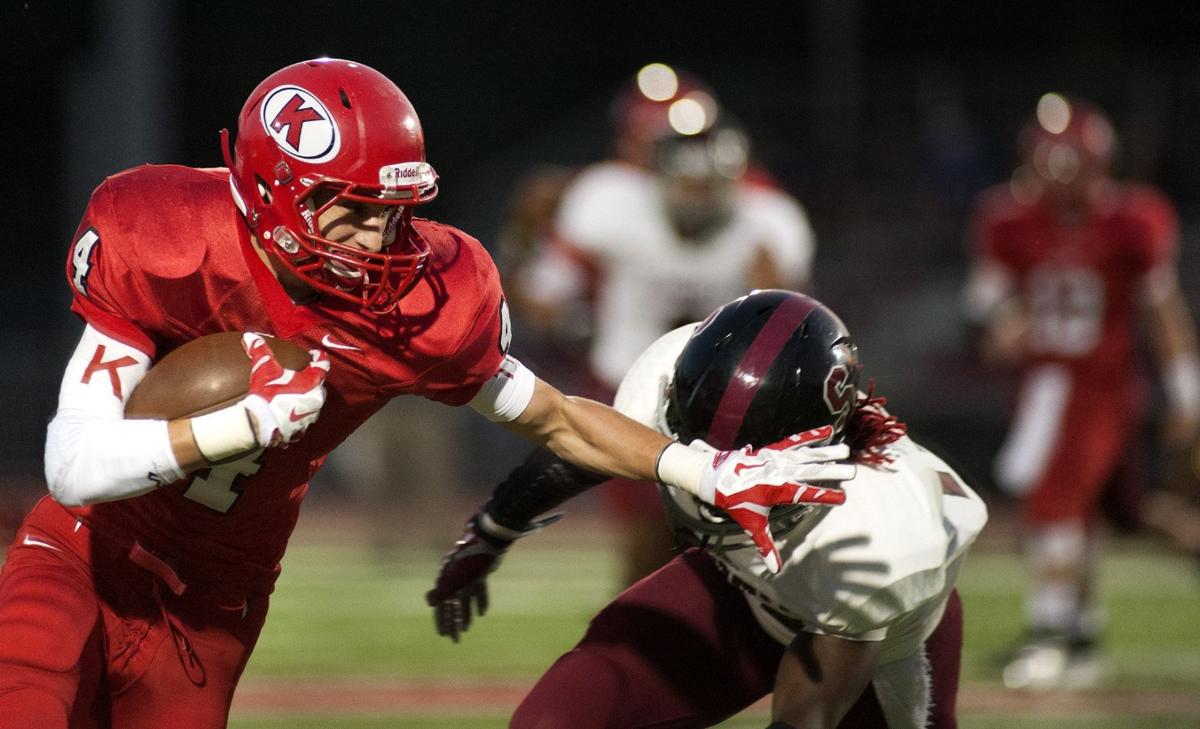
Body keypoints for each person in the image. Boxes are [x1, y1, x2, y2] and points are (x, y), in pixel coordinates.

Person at [0, 59, 852, 728]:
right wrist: (244, 421)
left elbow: (557, 417)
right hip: (85, 549)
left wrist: (704, 471)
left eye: (396, 210)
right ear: (276, 195)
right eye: (357, 210)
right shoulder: (166, 234)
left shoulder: (421, 299)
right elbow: (74, 465)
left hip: (219, 598)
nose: (384, 240)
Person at [428, 290, 989, 729]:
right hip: (733, 586)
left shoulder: (876, 535)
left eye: (745, 461)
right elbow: (590, 449)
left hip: (874, 642)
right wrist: (493, 528)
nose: (716, 474)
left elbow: (808, 713)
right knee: (557, 718)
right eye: (700, 448)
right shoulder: (665, 377)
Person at [507, 62, 818, 585]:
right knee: (648, 541)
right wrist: (526, 244)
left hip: (729, 400)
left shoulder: (765, 217)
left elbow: (798, 327)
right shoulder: (607, 199)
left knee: (742, 552)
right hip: (633, 389)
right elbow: (544, 298)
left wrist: (775, 296)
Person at [962, 92, 1200, 690]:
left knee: (1057, 505)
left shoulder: (1133, 219)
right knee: (1123, 515)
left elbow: (1162, 311)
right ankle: (1082, 637)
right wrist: (1000, 323)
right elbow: (982, 298)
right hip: (1044, 389)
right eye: (1050, 161)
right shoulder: (1008, 219)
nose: (1058, 175)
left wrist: (1186, 394)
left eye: (1069, 162)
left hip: (1104, 389)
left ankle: (1053, 636)